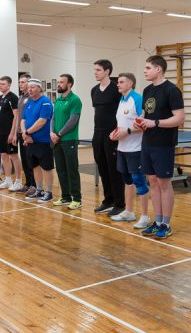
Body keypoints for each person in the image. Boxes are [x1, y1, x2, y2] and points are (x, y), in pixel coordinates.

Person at [136, 55, 185, 239]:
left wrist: (155, 123)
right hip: (148, 142)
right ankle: (157, 222)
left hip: (164, 144)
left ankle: (166, 224)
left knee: (164, 183)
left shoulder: (172, 90)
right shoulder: (147, 90)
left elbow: (179, 118)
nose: (145, 71)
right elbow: (146, 114)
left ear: (158, 69)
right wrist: (140, 121)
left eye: (148, 68)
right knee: (153, 182)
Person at [109, 72, 151, 227]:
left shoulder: (137, 99)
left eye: (121, 82)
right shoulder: (122, 100)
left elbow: (143, 124)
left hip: (136, 149)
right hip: (122, 148)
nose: (118, 84)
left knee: (139, 181)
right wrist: (115, 133)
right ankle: (129, 211)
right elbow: (123, 124)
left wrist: (127, 132)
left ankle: (145, 216)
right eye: (118, 82)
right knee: (127, 181)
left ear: (130, 83)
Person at [91, 59, 125, 216]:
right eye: (95, 70)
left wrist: (118, 131)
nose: (95, 73)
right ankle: (108, 200)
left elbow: (121, 112)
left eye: (98, 70)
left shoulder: (116, 89)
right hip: (97, 133)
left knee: (114, 169)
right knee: (102, 168)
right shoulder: (94, 90)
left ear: (107, 72)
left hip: (112, 133)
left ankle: (119, 203)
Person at [51, 74, 83, 210]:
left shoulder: (75, 100)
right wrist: (52, 133)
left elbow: (72, 121)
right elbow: (53, 118)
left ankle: (77, 199)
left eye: (61, 82)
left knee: (72, 169)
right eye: (58, 82)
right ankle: (65, 196)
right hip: (56, 140)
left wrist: (59, 134)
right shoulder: (58, 100)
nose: (59, 84)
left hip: (69, 139)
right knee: (61, 169)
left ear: (69, 84)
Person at [21, 78, 54, 203]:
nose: (29, 90)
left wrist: (27, 133)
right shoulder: (29, 102)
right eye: (29, 87)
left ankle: (49, 193)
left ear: (40, 88)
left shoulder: (45, 102)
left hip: (43, 141)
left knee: (46, 167)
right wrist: (24, 134)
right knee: (35, 166)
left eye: (32, 87)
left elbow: (42, 121)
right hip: (30, 141)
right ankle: (39, 190)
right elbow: (23, 120)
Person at [0, 76, 23, 191]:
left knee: (14, 156)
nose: (1, 86)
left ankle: (19, 181)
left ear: (9, 85)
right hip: (1, 132)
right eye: (0, 84)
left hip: (9, 132)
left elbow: (16, 116)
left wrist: (12, 133)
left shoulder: (13, 98)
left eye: (3, 84)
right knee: (4, 156)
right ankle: (8, 180)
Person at [14, 74, 38, 196]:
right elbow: (18, 117)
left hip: (27, 134)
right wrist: (15, 133)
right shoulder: (21, 98)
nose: (20, 84)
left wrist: (27, 133)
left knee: (30, 161)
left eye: (23, 82)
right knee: (24, 160)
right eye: (19, 82)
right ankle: (28, 184)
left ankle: (34, 185)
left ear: (29, 83)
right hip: (20, 132)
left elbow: (31, 117)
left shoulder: (31, 98)